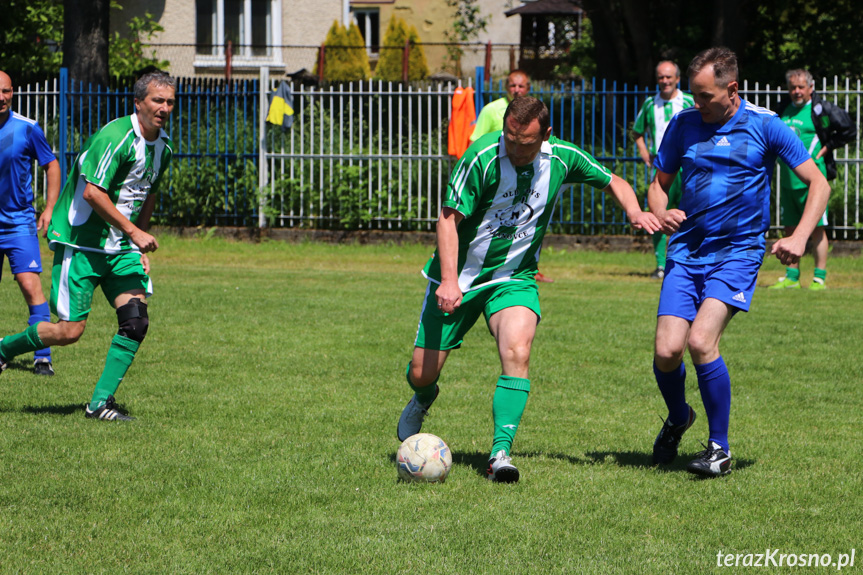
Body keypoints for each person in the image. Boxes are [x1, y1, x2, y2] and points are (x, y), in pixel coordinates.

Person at [397, 96, 660, 483]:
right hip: (460, 278)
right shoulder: (481, 157)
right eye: (510, 138)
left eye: (527, 143)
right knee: (422, 372)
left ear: (546, 135)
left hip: (514, 277)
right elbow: (448, 219)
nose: (517, 149)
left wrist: (635, 212)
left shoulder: (561, 158)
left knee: (518, 349)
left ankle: (499, 453)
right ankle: (423, 396)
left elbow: (613, 181)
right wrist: (450, 280)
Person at [647, 48, 829, 477]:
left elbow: (817, 182)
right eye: (693, 94)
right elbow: (658, 184)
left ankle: (719, 448)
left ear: (732, 89)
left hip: (737, 252)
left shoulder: (766, 125)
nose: (697, 103)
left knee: (701, 342)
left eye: (705, 95)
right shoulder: (683, 124)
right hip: (688, 251)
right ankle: (678, 418)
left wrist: (800, 237)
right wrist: (660, 211)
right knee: (667, 350)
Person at [0, 71, 176, 421]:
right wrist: (135, 233)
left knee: (136, 322)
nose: (165, 108)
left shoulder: (163, 147)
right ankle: (6, 348)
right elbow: (93, 192)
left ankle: (99, 403)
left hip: (121, 249)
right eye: (158, 100)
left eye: (170, 101)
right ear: (138, 102)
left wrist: (137, 244)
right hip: (83, 244)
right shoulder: (116, 136)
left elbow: (147, 195)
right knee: (69, 332)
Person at [768, 68, 856, 290]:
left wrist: (827, 148)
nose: (796, 92)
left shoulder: (820, 110)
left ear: (810, 88)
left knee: (816, 229)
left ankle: (819, 278)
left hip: (812, 181)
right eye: (792, 88)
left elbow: (849, 130)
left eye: (800, 87)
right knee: (789, 228)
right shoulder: (782, 109)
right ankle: (791, 276)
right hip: (788, 181)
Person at [0, 71, 61, 375]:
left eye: (6, 91)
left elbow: (51, 164)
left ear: (12, 93)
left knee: (30, 285)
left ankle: (42, 356)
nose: (1, 97)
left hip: (18, 223)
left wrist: (49, 208)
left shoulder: (28, 128)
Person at [470, 70, 554, 283]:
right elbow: (475, 142)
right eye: (512, 86)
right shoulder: (492, 110)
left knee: (528, 221)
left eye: (521, 86)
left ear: (528, 88)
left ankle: (527, 266)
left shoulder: (536, 112)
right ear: (506, 87)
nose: (516, 90)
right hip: (498, 177)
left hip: (526, 177)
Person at [632, 61, 694, 280]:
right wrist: (643, 151)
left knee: (687, 213)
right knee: (658, 214)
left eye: (669, 77)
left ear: (678, 79)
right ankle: (660, 264)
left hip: (686, 168)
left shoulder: (689, 101)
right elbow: (637, 131)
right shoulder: (650, 104)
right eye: (661, 77)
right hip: (662, 167)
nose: (665, 81)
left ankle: (685, 260)